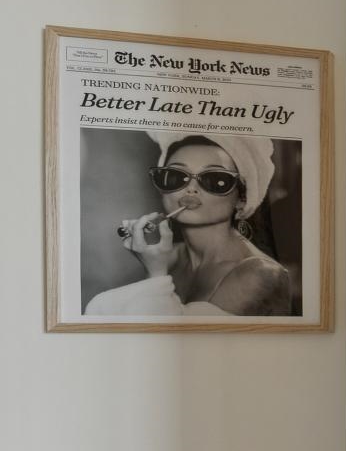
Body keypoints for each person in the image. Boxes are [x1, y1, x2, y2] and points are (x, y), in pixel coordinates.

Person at [85, 133, 294, 317]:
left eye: (215, 179)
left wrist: (156, 274)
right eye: (176, 177)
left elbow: (186, 348)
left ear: (242, 200)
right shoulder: (167, 257)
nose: (191, 189)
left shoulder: (261, 275)